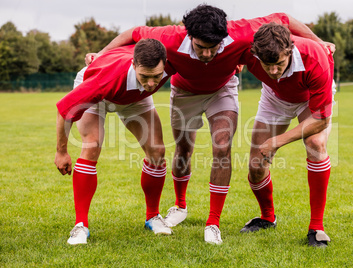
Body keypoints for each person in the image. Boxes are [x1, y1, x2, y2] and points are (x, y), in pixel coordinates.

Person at [85, 5, 334, 244]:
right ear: (189, 35)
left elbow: (284, 19)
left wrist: (319, 42)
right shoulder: (170, 37)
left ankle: (220, 222)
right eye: (201, 47)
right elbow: (133, 33)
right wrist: (102, 53)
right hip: (194, 91)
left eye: (213, 47)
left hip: (242, 91)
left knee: (237, 145)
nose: (207, 54)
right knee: (191, 151)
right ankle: (188, 206)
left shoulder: (245, 34)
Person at [54, 39, 176, 245]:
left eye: (157, 76)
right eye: (145, 76)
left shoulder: (170, 63)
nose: (152, 84)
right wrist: (61, 151)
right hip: (100, 94)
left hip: (135, 97)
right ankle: (80, 226)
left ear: (166, 63)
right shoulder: (104, 79)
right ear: (133, 65)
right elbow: (65, 111)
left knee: (157, 151)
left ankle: (153, 216)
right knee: (92, 145)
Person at [239, 23, 335, 247]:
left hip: (309, 97)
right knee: (255, 165)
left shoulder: (315, 57)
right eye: (267, 65)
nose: (273, 71)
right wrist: (233, 63)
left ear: (290, 50)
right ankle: (267, 218)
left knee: (316, 143)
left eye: (279, 64)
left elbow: (321, 119)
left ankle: (317, 228)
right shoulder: (248, 50)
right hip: (275, 98)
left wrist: (276, 142)